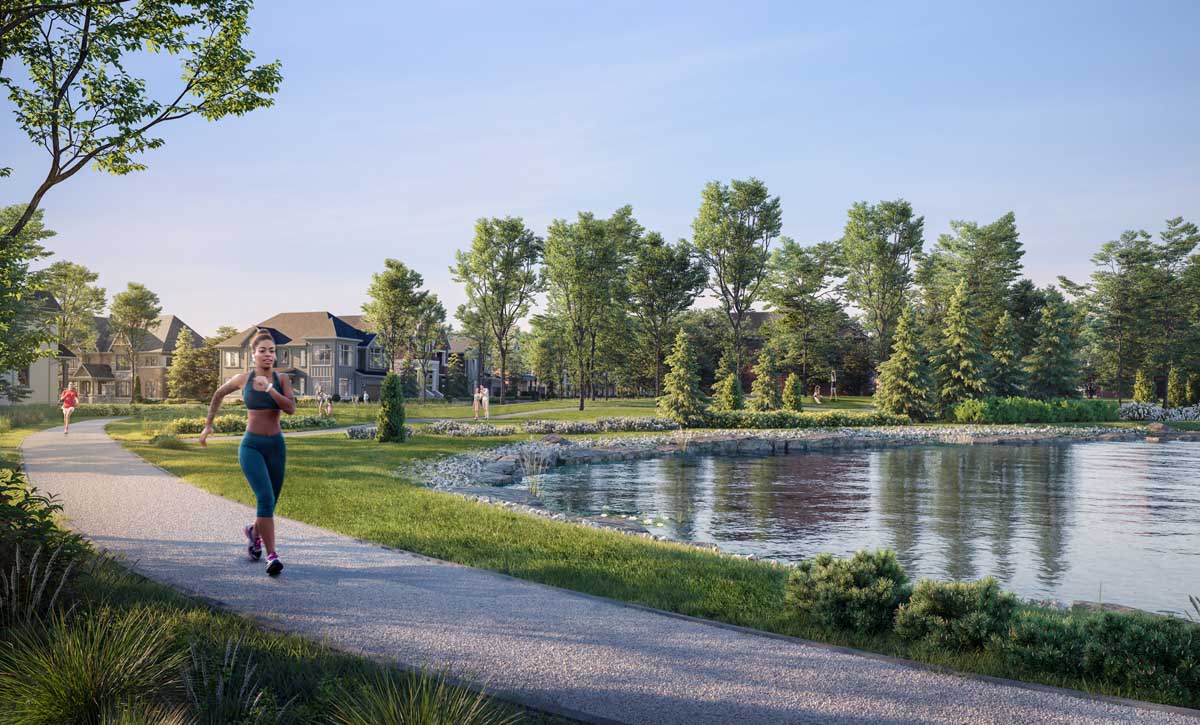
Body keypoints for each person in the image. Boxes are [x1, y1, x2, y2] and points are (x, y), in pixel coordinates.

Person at [199, 330, 296, 576]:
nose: (268, 355)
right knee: (264, 498)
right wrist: (208, 424)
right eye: (262, 350)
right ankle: (272, 556)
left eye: (272, 350)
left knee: (270, 502)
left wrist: (270, 389)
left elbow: (291, 409)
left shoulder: (282, 379)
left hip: (276, 447)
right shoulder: (243, 379)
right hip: (251, 446)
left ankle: (254, 532)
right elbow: (218, 394)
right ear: (253, 353)